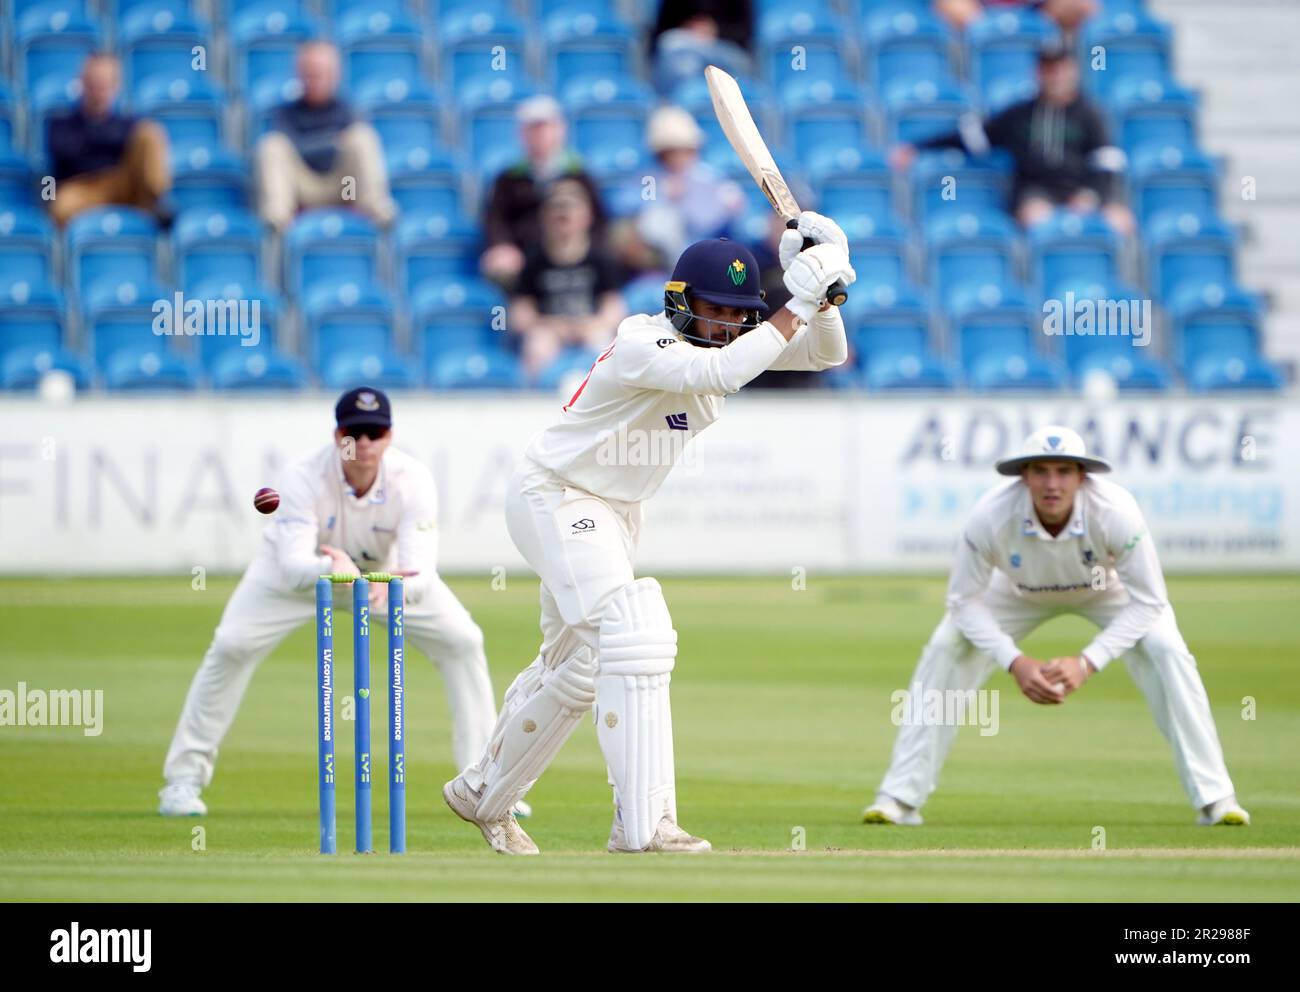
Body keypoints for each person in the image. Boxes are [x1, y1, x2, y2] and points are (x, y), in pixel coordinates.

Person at [443, 214, 857, 854]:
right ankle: (645, 823)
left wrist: (824, 291)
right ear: (678, 301)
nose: (724, 325)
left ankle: (482, 793)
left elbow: (827, 354)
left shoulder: (735, 342)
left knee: (578, 670)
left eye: (736, 314)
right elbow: (719, 374)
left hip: (613, 512)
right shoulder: (645, 343)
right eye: (712, 309)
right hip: (557, 493)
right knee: (634, 634)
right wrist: (798, 298)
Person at [863, 426, 1250, 828]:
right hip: (1017, 591)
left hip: (1105, 587)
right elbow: (962, 601)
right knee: (947, 647)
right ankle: (900, 797)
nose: (1052, 484)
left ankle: (1216, 798)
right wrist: (1015, 663)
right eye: (1041, 471)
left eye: (1064, 472)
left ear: (1082, 477)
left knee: (1167, 650)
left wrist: (1087, 662)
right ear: (1024, 476)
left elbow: (1150, 601)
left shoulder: (1116, 511)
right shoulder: (991, 515)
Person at [158, 388, 505, 818]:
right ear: (336, 433)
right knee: (231, 646)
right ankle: (182, 781)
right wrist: (331, 564)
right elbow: (290, 568)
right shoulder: (302, 475)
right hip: (301, 581)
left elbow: (419, 575)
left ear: (389, 436)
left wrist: (384, 584)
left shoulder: (412, 479)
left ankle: (485, 786)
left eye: (373, 433)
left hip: (380, 579)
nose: (362, 444)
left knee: (463, 641)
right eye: (353, 433)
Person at [889, 42, 1134, 235]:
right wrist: (917, 147)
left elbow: (1107, 163)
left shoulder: (1091, 115)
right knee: (1039, 220)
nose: (1056, 76)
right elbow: (970, 138)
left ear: (1073, 70)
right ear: (1039, 73)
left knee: (1120, 221)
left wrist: (1090, 195)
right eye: (1049, 69)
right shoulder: (1020, 115)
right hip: (1037, 193)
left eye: (1061, 68)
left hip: (1082, 191)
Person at [255, 41, 395, 233]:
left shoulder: (348, 110)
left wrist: (310, 145)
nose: (316, 79)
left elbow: (309, 147)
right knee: (272, 146)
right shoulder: (285, 113)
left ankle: (376, 210)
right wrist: (332, 142)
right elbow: (294, 149)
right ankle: (277, 221)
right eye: (310, 73)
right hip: (302, 190)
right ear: (300, 75)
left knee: (362, 138)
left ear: (334, 75)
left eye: (321, 73)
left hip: (346, 189)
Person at [480, 96, 605, 289]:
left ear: (560, 130)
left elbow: (599, 220)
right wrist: (502, 246)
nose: (541, 135)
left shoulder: (579, 175)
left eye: (546, 127)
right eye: (534, 129)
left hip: (572, 255)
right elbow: (496, 220)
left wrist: (582, 250)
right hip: (524, 257)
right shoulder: (508, 179)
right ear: (522, 134)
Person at [509, 180, 626, 378]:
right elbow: (519, 314)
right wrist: (550, 324)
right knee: (537, 347)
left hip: (591, 327)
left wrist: (593, 324)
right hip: (549, 329)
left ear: (587, 216)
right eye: (556, 210)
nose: (563, 216)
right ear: (544, 217)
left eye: (571, 209)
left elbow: (615, 308)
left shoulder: (601, 258)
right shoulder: (534, 259)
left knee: (606, 347)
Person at [45, 54, 171, 227]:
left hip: (121, 184)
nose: (99, 91)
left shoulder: (130, 123)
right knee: (61, 206)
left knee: (150, 133)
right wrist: (109, 140)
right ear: (82, 83)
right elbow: (65, 153)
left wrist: (95, 141)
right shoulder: (60, 123)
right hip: (82, 188)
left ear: (116, 86)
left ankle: (157, 200)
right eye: (94, 83)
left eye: (104, 84)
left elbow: (134, 149)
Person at [619, 106, 747, 269]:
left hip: (705, 251)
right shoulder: (652, 177)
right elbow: (626, 203)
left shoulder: (709, 177)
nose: (679, 157)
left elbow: (729, 209)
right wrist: (663, 195)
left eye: (685, 150)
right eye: (672, 151)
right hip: (658, 257)